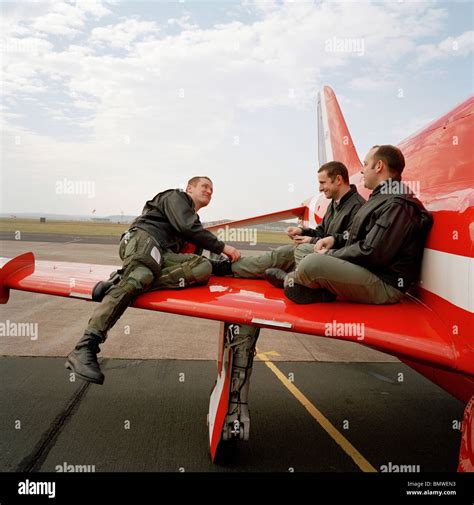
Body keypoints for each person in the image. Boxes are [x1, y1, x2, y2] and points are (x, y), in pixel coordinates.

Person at [65, 176, 240, 385]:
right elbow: (187, 228)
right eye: (204, 186)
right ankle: (85, 346)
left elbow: (192, 260)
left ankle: (121, 284)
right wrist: (224, 248)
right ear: (189, 188)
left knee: (202, 268)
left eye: (212, 189)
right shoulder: (175, 197)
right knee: (143, 274)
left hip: (161, 255)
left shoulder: (193, 224)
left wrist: (232, 267)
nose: (209, 191)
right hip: (144, 238)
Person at [283, 145, 433, 304]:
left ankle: (292, 281)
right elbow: (361, 239)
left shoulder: (397, 204)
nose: (362, 170)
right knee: (305, 249)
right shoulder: (381, 197)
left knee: (312, 263)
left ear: (379, 166)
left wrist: (330, 254)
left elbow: (372, 253)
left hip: (384, 283)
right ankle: (308, 285)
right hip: (367, 269)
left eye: (366, 164)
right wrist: (335, 241)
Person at [213, 161, 365, 286]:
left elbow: (350, 243)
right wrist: (302, 231)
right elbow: (321, 232)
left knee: (295, 252)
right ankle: (225, 267)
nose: (319, 188)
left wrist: (312, 241)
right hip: (317, 252)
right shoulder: (333, 204)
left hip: (332, 259)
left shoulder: (358, 206)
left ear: (338, 180)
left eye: (322, 182)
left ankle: (293, 282)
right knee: (278, 255)